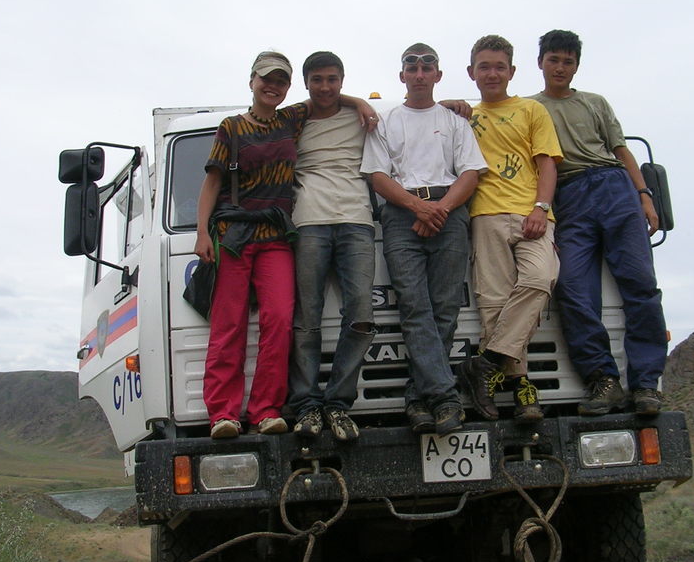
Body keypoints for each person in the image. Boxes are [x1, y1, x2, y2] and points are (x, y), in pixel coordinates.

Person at [194, 51, 375, 438]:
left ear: (288, 87)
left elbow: (325, 96)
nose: (272, 86)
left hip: (277, 235)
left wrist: (359, 101)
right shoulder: (231, 127)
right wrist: (202, 233)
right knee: (229, 323)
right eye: (265, 79)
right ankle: (223, 413)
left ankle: (265, 409)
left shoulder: (291, 119)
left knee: (279, 320)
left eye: (280, 81)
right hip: (233, 235)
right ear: (252, 81)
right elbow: (211, 182)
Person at [530, 30, 668, 416]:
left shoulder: (595, 102)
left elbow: (621, 150)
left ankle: (645, 385)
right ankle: (602, 380)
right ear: (540, 62)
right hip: (568, 195)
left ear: (576, 66)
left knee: (640, 285)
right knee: (573, 289)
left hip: (613, 187)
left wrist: (644, 196)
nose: (560, 67)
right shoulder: (529, 108)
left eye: (568, 61)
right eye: (554, 59)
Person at [361, 43, 487, 435]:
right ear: (402, 76)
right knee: (414, 308)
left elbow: (470, 173)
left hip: (449, 213)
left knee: (445, 309)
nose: (419, 73)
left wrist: (441, 209)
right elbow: (377, 176)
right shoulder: (386, 122)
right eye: (411, 67)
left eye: (426, 66)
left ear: (437, 75)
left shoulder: (455, 122)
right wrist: (419, 208)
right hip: (401, 218)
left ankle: (418, 399)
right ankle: (446, 398)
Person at [457, 35, 563, 424]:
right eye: (484, 66)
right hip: (485, 214)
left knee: (540, 279)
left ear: (512, 71)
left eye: (499, 66)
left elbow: (547, 163)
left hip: (531, 214)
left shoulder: (531, 110)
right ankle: (521, 389)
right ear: (471, 72)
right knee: (495, 304)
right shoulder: (465, 116)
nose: (492, 73)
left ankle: (485, 364)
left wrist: (541, 206)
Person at [287, 51, 376, 443]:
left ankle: (338, 404)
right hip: (308, 221)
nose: (326, 87)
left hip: (357, 219)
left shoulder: (361, 117)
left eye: (333, 79)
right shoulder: (295, 120)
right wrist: (356, 99)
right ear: (307, 83)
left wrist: (358, 101)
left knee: (360, 313)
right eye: (318, 80)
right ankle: (306, 405)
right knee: (307, 316)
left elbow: (415, 112)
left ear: (343, 80)